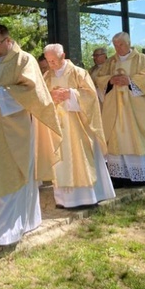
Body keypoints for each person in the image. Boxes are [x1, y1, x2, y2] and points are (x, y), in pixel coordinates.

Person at [0, 24, 60, 247]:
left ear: (8, 40)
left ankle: (12, 228)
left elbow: (32, 92)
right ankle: (15, 222)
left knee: (15, 172)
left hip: (15, 129)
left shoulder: (24, 60)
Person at [41, 44, 115, 208]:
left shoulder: (79, 73)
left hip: (78, 126)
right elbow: (42, 98)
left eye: (54, 60)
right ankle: (63, 200)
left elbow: (91, 96)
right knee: (61, 161)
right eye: (48, 61)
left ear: (63, 55)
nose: (51, 64)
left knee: (79, 158)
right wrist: (51, 97)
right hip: (57, 127)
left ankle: (86, 198)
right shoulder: (47, 76)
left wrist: (71, 94)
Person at [94, 32, 145, 187]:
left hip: (136, 108)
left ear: (128, 43)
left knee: (137, 137)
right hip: (115, 108)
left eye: (121, 44)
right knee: (117, 138)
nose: (118, 48)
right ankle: (119, 176)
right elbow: (99, 78)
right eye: (115, 45)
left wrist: (129, 81)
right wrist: (110, 80)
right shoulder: (110, 62)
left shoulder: (142, 60)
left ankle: (141, 174)